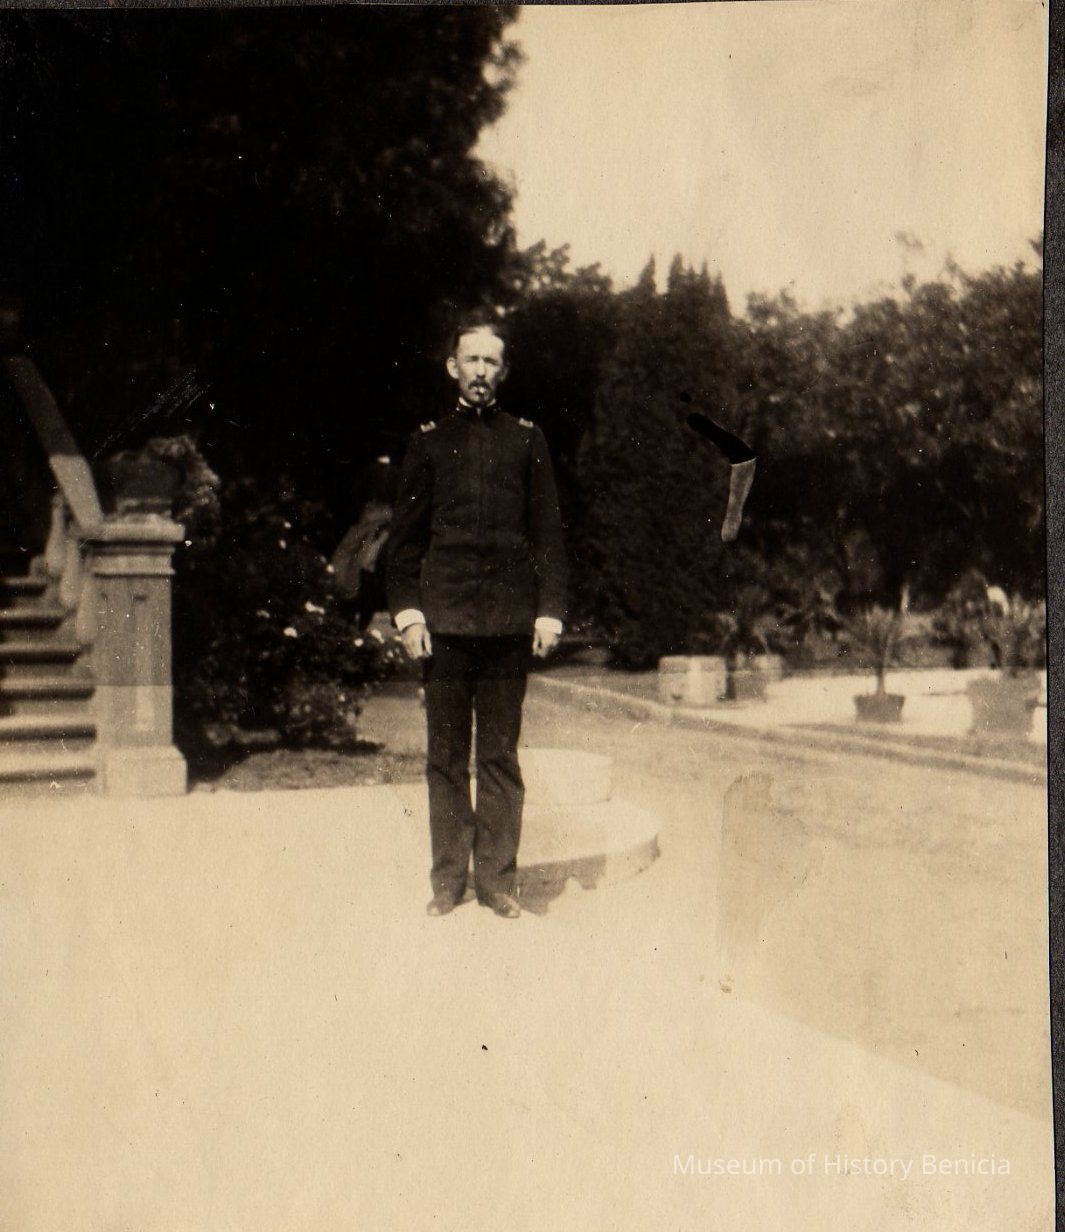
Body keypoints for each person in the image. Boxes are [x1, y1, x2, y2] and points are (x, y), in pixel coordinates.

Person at [386, 317, 567, 919]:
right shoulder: (429, 442)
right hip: (443, 627)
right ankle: (448, 881)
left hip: (509, 626)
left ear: (503, 372)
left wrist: (549, 613)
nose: (481, 372)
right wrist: (409, 616)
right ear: (453, 367)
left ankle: (496, 881)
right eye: (472, 360)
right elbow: (404, 545)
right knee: (444, 757)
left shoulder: (527, 441)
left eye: (492, 362)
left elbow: (548, 535)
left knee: (499, 756)